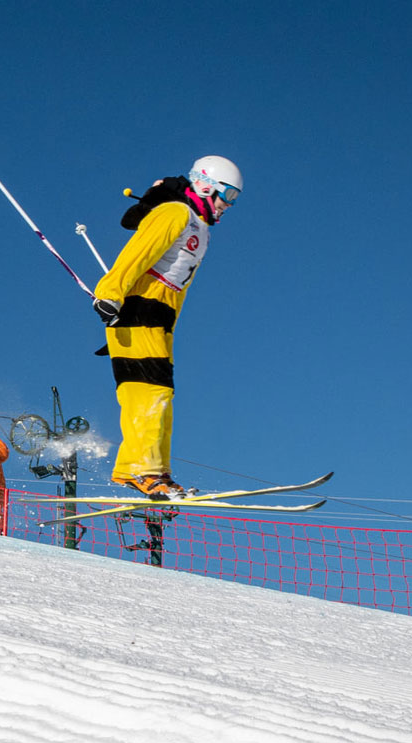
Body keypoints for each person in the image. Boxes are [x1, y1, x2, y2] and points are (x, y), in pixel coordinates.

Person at [91, 155, 243, 500]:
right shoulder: (174, 213)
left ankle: (155, 470)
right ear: (205, 186)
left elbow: (176, 288)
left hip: (158, 321)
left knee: (162, 397)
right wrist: (110, 294)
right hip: (135, 311)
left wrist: (168, 327)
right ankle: (139, 470)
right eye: (227, 195)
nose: (228, 206)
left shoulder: (199, 231)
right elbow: (136, 253)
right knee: (148, 393)